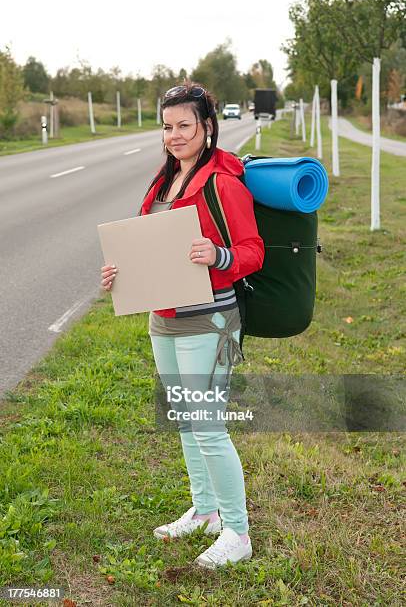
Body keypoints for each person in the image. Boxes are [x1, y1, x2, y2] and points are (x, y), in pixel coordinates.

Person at [100, 82, 264, 569]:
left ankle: (238, 531)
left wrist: (218, 254)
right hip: (164, 319)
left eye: (184, 125)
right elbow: (146, 243)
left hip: (209, 320)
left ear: (207, 127)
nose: (174, 135)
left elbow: (252, 251)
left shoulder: (222, 182)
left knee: (210, 427)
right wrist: (117, 272)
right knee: (187, 423)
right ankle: (206, 512)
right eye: (167, 126)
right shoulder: (163, 181)